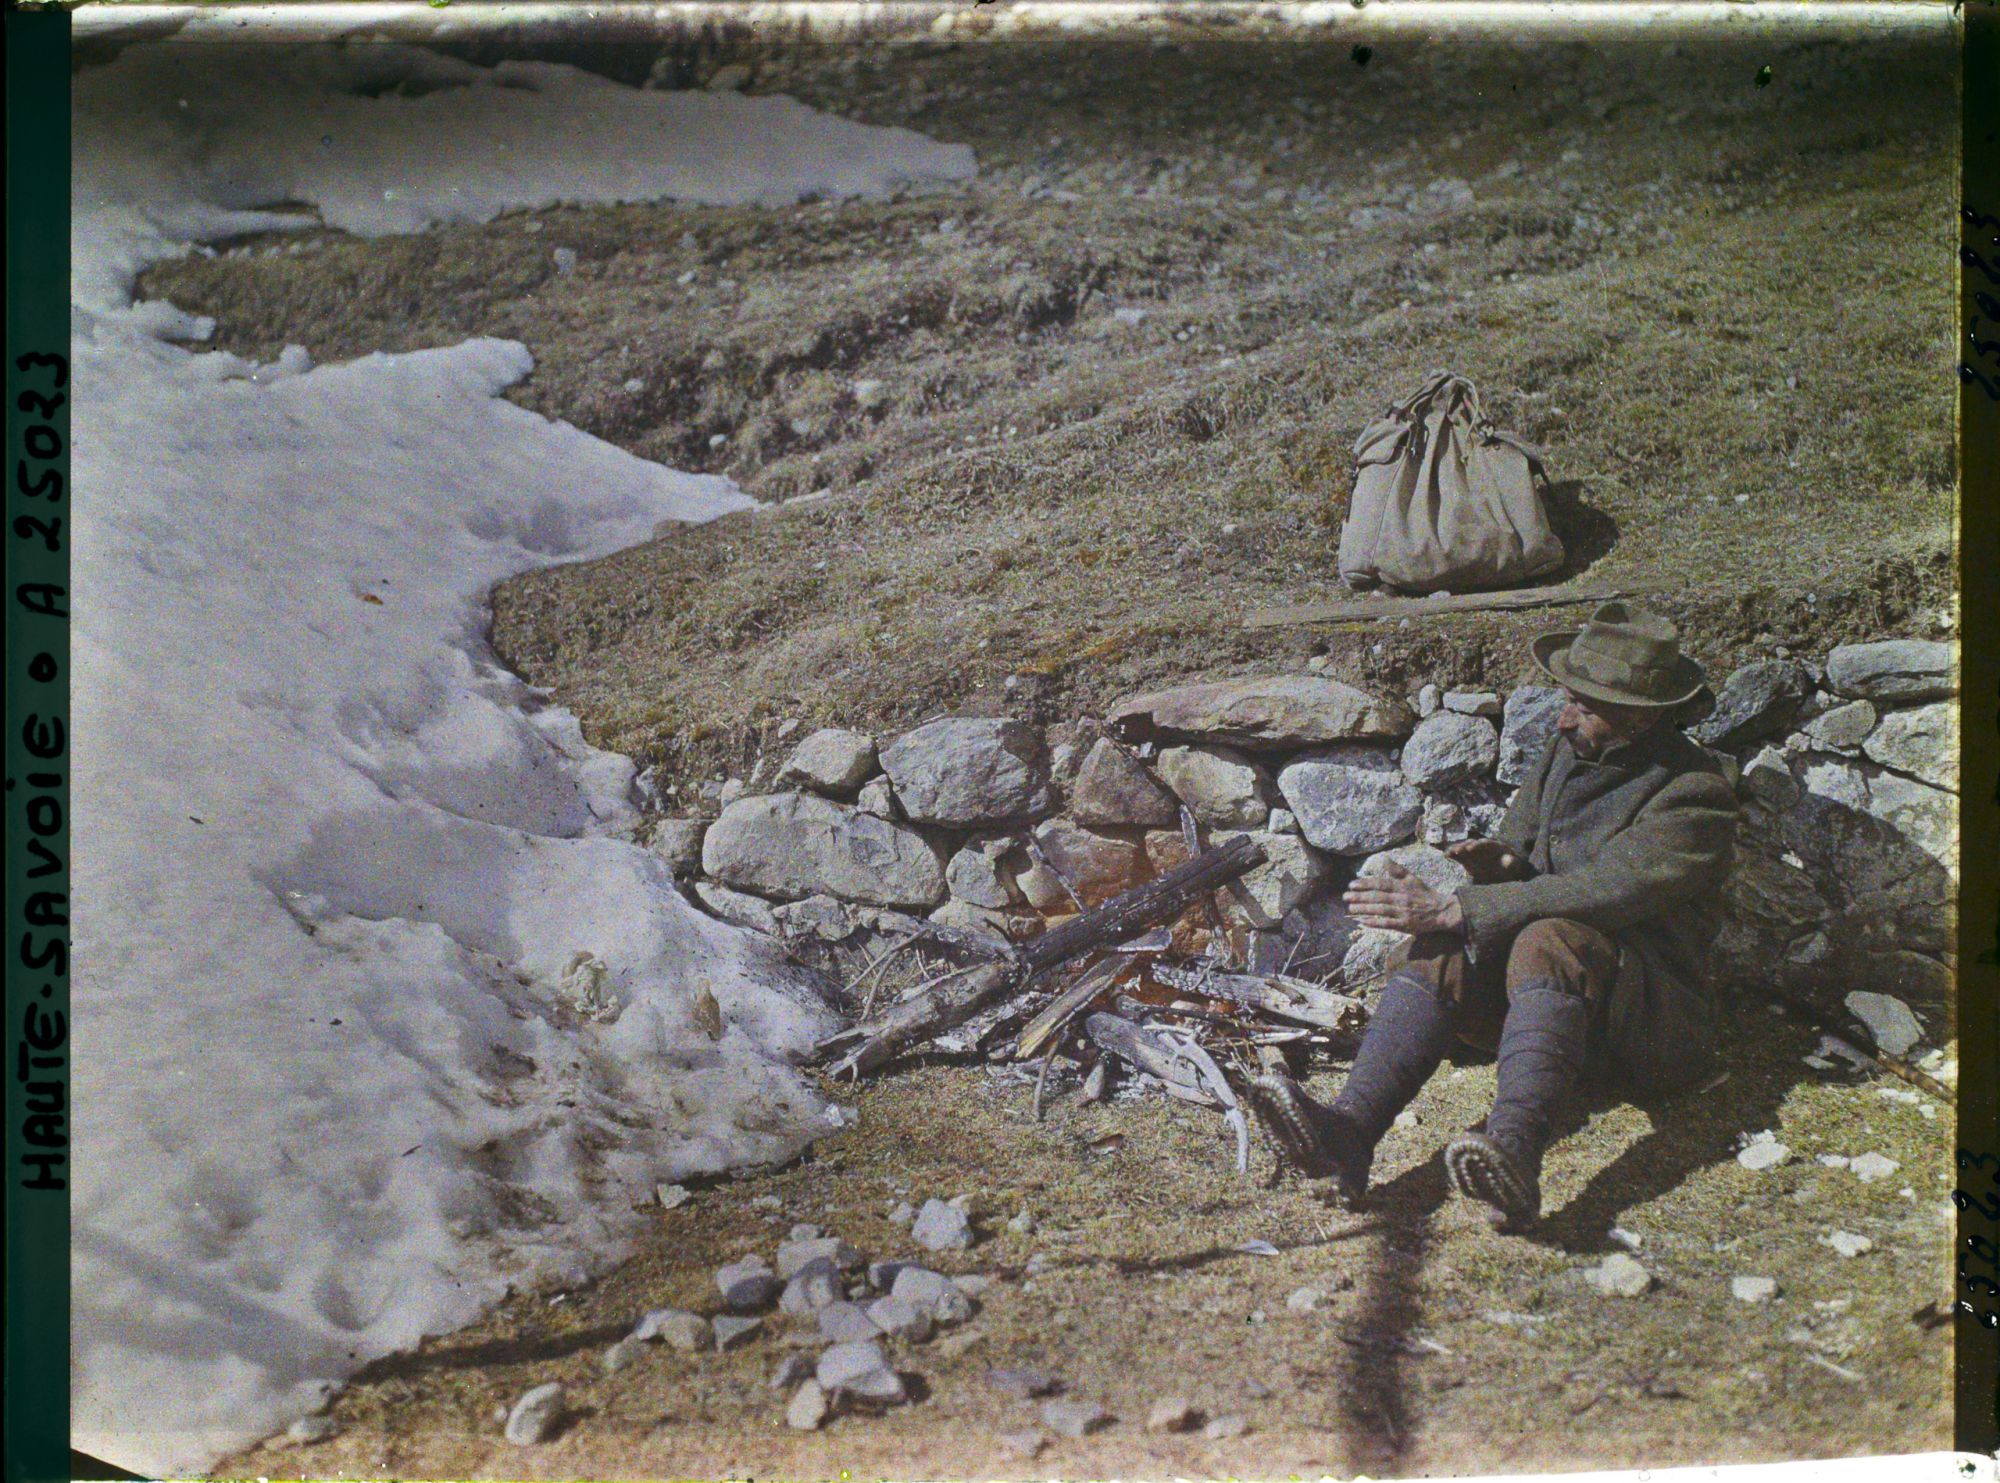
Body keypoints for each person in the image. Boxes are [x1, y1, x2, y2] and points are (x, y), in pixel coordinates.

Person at [1246, 602, 1740, 1229]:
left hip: (1646, 1029)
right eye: (1569, 697)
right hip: (1554, 1008)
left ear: (1641, 718)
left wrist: (1460, 904)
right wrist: (1500, 867)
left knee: (1544, 938)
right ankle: (1347, 1134)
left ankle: (1514, 1157)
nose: (1563, 717)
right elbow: (1530, 858)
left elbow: (1613, 891)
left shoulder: (1695, 794)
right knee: (1445, 945)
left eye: (1586, 707)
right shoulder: (1569, 753)